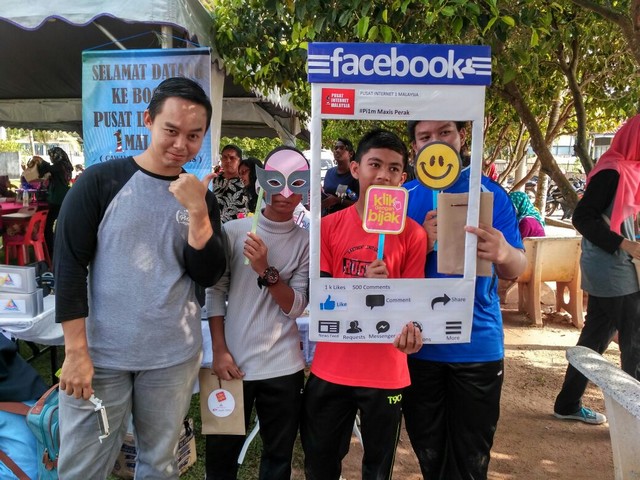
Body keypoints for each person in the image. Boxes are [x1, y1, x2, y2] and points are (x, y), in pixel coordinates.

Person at [53, 77, 226, 479]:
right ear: (148, 120)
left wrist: (198, 212)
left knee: (159, 464)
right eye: (171, 130)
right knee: (82, 468)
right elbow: (69, 267)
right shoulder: (101, 182)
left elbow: (207, 273)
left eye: (194, 135)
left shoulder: (201, 197)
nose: (181, 144)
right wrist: (75, 352)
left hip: (171, 358)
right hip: (101, 357)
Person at [403, 120, 526, 480]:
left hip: (477, 347)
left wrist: (504, 252)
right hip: (419, 347)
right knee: (429, 453)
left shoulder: (490, 194)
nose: (436, 142)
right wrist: (420, 242)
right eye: (425, 136)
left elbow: (517, 268)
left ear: (461, 137)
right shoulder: (403, 198)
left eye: (445, 132)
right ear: (414, 147)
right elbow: (387, 272)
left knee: (472, 460)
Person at [301, 129, 426, 480]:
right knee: (320, 462)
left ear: (403, 178)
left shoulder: (414, 235)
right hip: (331, 366)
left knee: (378, 468)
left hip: (387, 371)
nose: (383, 175)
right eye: (375, 165)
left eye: (393, 168)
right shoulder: (327, 227)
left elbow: (414, 306)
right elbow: (320, 296)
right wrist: (362, 289)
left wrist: (403, 314)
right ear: (355, 168)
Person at [205, 146, 310, 480]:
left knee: (278, 458)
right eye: (276, 181)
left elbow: (296, 306)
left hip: (283, 367)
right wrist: (219, 350)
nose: (285, 193)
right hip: (232, 364)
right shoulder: (235, 232)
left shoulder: (306, 241)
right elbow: (215, 292)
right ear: (262, 181)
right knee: (220, 456)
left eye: (297, 183)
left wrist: (265, 269)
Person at [553, 114, 640, 425]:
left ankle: (567, 403)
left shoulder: (630, 170)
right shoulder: (612, 171)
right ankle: (633, 419)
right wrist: (624, 244)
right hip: (612, 267)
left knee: (595, 337)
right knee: (634, 339)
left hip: (614, 265)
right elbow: (583, 217)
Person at [33, 147, 73, 259]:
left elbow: (49, 168)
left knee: (48, 226)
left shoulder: (60, 166)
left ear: (56, 156)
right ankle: (55, 247)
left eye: (51, 156)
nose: (50, 158)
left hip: (57, 198)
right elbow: (46, 171)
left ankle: (51, 250)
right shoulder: (65, 165)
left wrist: (41, 161)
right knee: (59, 224)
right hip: (63, 197)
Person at [211, 144, 249, 223]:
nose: (228, 161)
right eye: (224, 157)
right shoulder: (213, 179)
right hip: (211, 226)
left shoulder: (245, 182)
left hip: (236, 227)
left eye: (232, 158)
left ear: (239, 161)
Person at [321, 138, 359, 216]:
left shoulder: (355, 175)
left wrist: (337, 200)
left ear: (350, 154)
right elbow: (326, 193)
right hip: (327, 217)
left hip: (346, 219)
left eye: (341, 148)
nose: (337, 150)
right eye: (336, 148)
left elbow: (360, 204)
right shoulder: (329, 172)